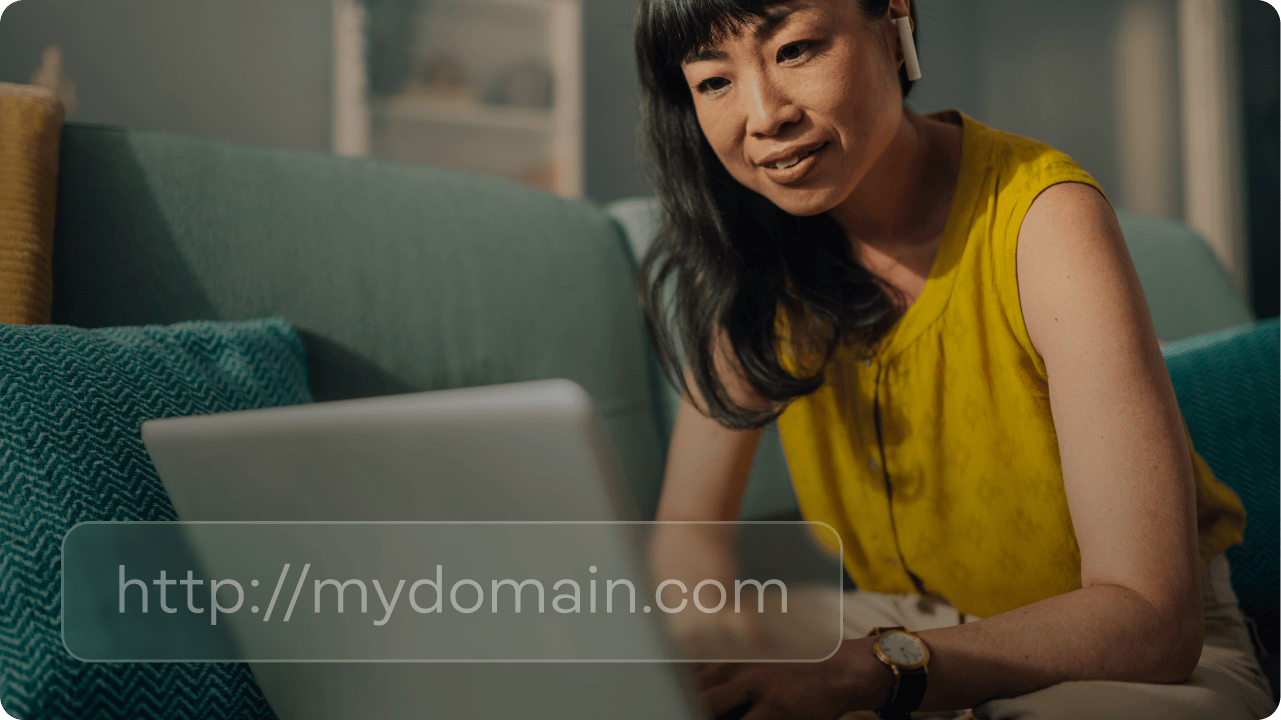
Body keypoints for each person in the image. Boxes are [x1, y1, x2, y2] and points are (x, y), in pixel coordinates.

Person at [632, 0, 1277, 718]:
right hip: (903, 618)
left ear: (892, 18)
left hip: (1111, 645)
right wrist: (714, 665)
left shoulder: (1043, 217)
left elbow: (1150, 621)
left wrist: (870, 672)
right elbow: (688, 539)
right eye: (713, 82)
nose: (763, 115)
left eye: (795, 50)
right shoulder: (748, 253)